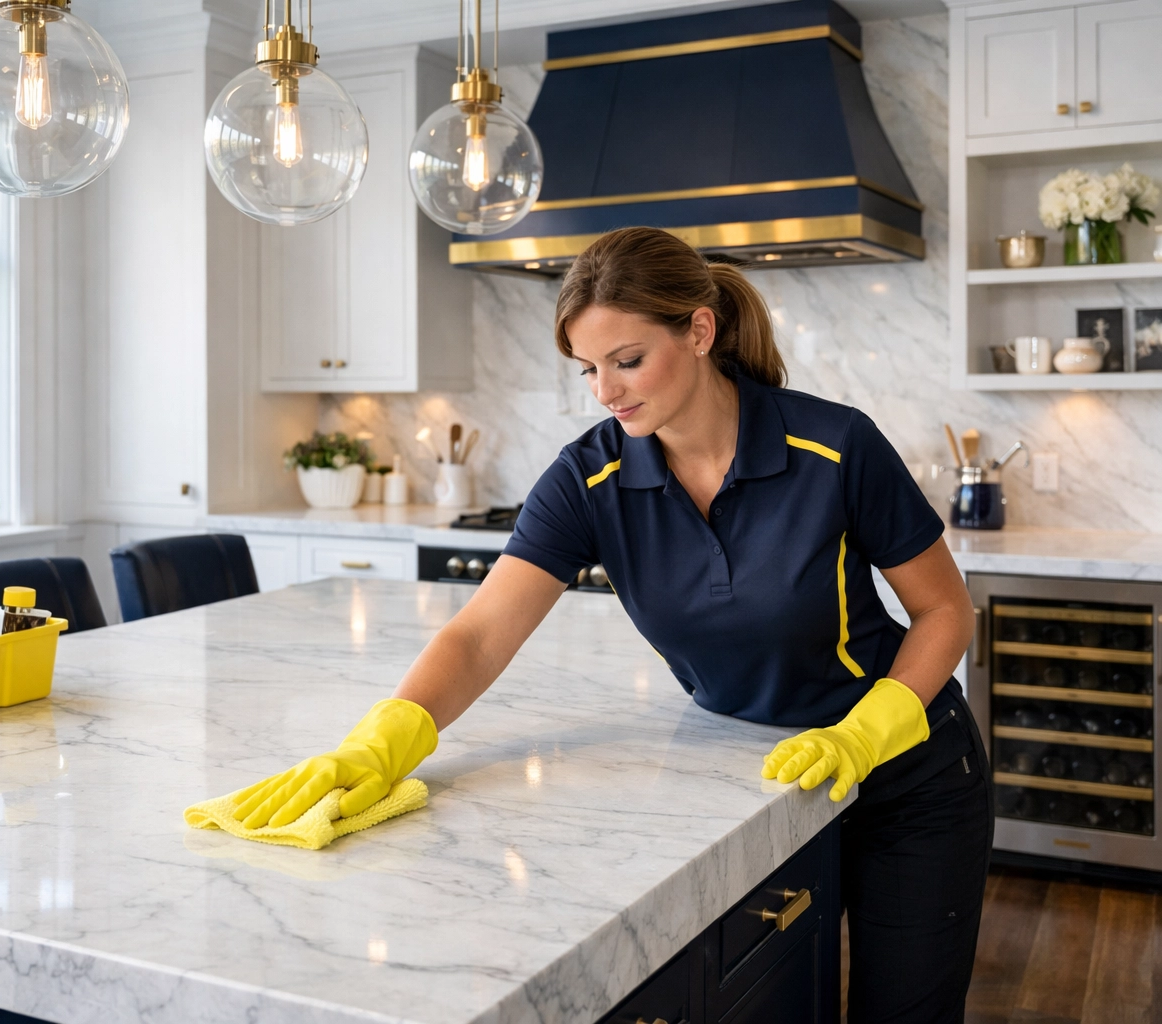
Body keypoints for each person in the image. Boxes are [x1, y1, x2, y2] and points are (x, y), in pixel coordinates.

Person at [229, 226, 991, 1023]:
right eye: (588, 369)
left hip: (907, 779)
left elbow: (943, 609)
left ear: (700, 331)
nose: (606, 391)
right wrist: (383, 739)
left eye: (626, 361)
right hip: (751, 785)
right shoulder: (590, 476)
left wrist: (866, 733)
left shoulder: (833, 446)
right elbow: (481, 634)